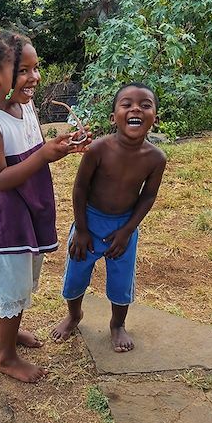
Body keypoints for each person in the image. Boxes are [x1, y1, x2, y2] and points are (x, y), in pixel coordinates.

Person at [0, 29, 89, 383]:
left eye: (36, 69)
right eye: (23, 70)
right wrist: (44, 155)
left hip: (32, 209)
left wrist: (60, 147)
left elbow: (34, 153)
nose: (35, 77)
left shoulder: (26, 107)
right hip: (8, 218)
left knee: (26, 280)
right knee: (13, 286)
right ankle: (6, 356)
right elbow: (0, 178)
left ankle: (5, 332)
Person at [51, 82, 166, 352]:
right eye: (126, 104)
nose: (135, 108)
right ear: (114, 117)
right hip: (88, 222)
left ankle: (117, 324)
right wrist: (81, 229)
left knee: (121, 280)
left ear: (154, 119)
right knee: (76, 274)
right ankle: (74, 315)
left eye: (145, 105)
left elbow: (147, 196)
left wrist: (127, 230)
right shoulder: (98, 150)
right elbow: (80, 188)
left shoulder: (155, 158)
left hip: (123, 226)